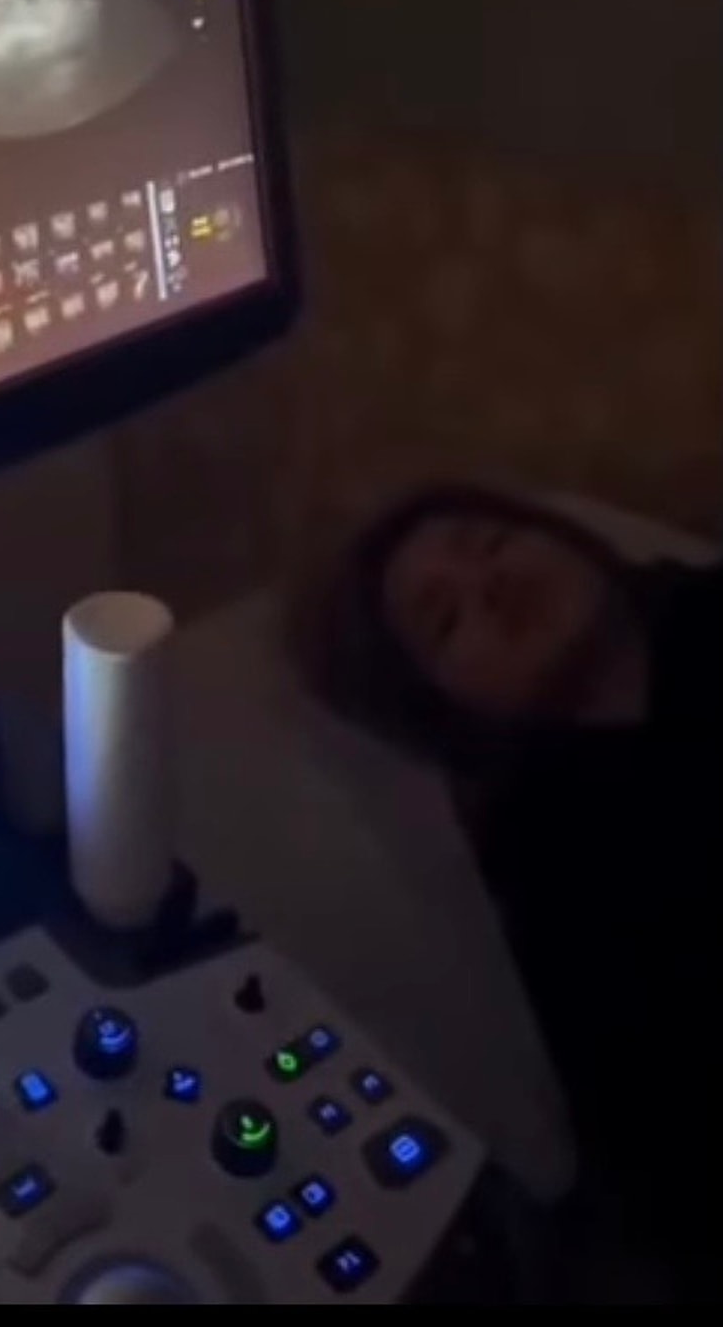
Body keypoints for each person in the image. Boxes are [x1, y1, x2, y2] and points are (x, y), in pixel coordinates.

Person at [299, 485, 721, 1294]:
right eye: (445, 619)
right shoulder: (565, 884)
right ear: (444, 708)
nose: (486, 584)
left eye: (490, 542)